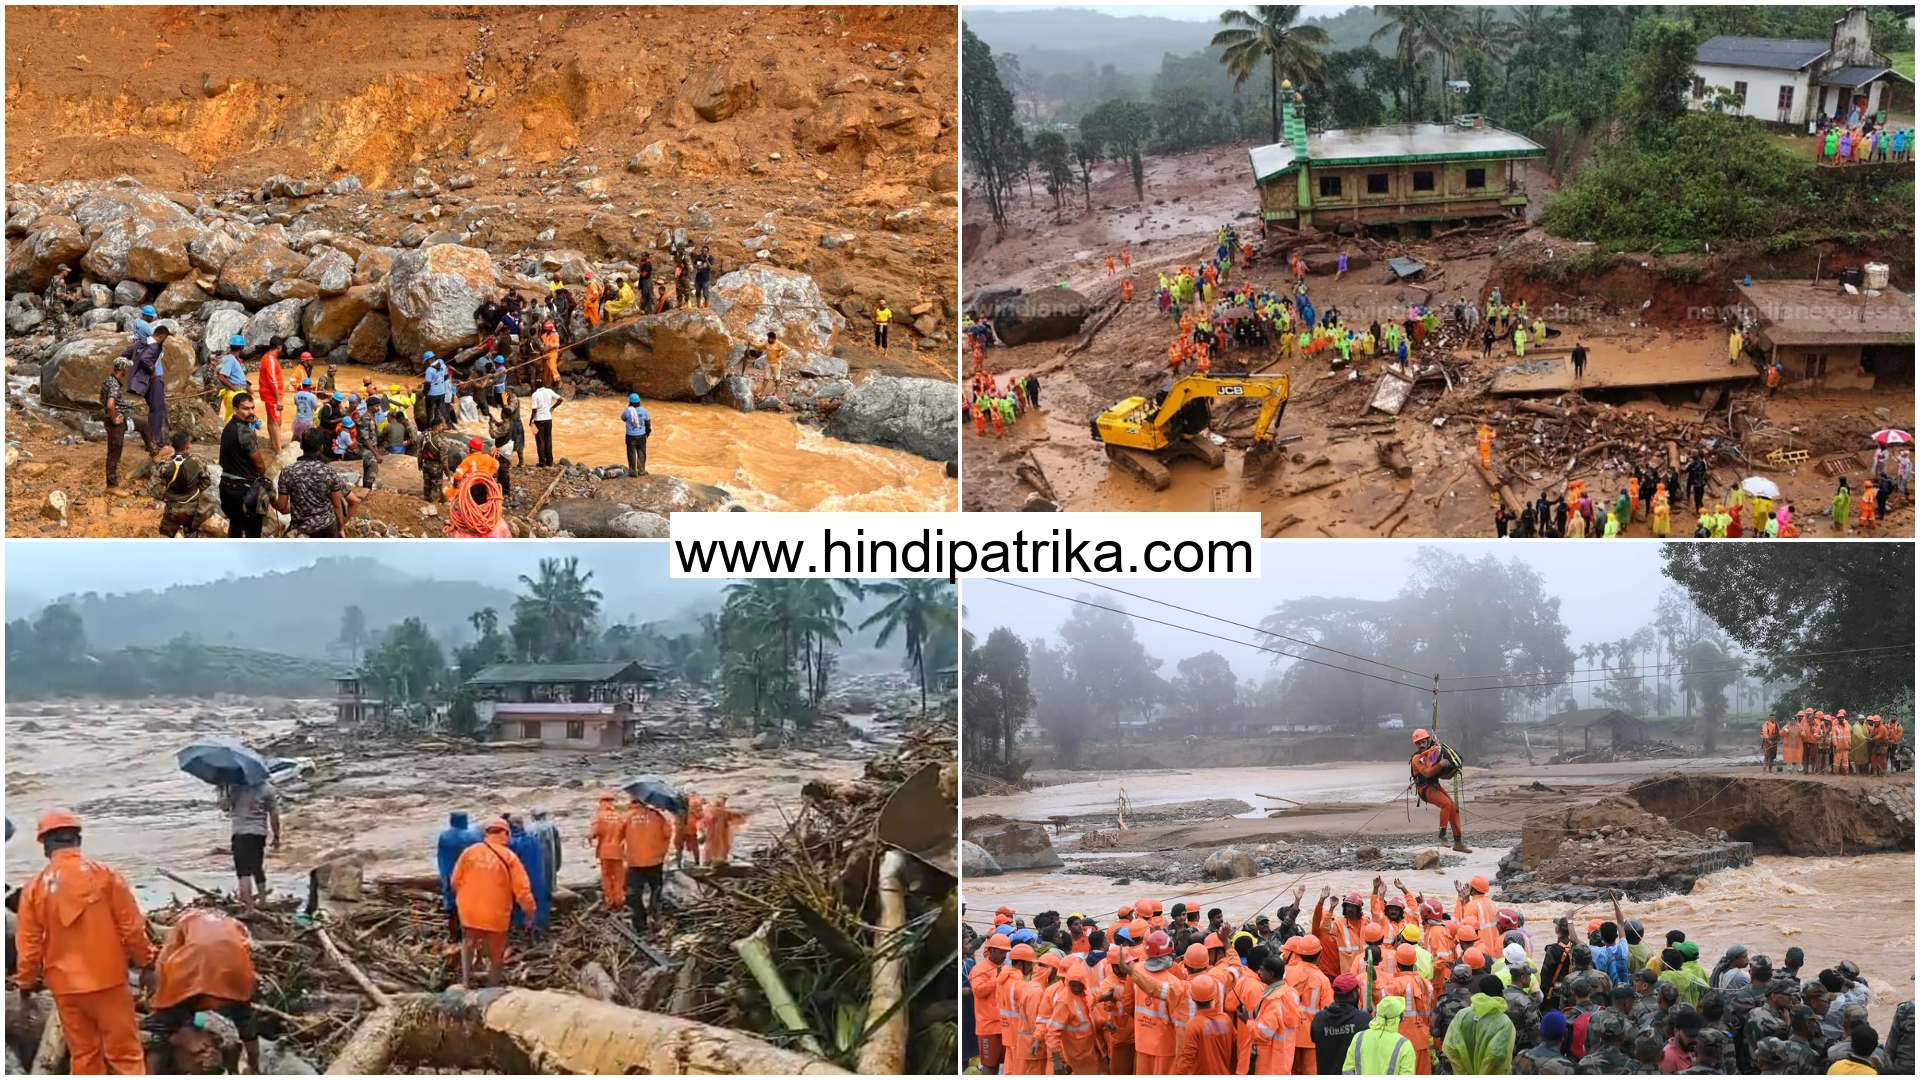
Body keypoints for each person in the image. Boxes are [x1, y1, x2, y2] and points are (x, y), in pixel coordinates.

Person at [13, 810, 154, 1075]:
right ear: (78, 839)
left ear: (45, 845)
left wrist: (25, 983)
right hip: (108, 981)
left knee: (85, 1055)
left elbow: (29, 944)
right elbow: (132, 928)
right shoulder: (106, 876)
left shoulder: (35, 888)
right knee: (125, 1055)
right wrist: (147, 963)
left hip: (65, 988)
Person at [149, 908, 262, 1074]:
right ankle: (254, 1069)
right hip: (234, 972)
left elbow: (163, 961)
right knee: (244, 1020)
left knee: (160, 1026)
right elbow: (245, 952)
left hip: (194, 971)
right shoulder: (233, 923)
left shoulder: (184, 921)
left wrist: (157, 999)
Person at [449, 819, 536, 987]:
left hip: (469, 912)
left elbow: (454, 881)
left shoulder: (469, 852)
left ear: (487, 834)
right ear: (504, 833)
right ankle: (492, 989)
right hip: (496, 915)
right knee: (497, 955)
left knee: (468, 943)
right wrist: (530, 912)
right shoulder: (510, 857)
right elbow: (523, 891)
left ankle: (466, 983)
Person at [274, 428, 358, 537]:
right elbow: (337, 505)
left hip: (301, 530)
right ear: (321, 447)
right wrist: (341, 528)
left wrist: (271, 498)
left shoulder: (287, 472)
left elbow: (282, 507)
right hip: (327, 527)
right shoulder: (328, 471)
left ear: (301, 445)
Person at [218, 776, 281, 909]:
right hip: (259, 833)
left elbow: (224, 807)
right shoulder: (267, 788)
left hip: (240, 833)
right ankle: (263, 901)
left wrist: (223, 789)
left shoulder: (235, 786)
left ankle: (249, 907)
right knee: (257, 867)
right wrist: (276, 836)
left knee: (243, 871)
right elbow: (274, 814)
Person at [1441, 974, 1516, 1073]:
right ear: (1502, 994)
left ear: (1480, 992)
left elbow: (1450, 1047)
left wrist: (1463, 1073)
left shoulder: (1462, 1015)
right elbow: (1497, 1056)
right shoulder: (1504, 1022)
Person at [1411, 729, 1470, 852]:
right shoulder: (1416, 759)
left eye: (1423, 742)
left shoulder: (1432, 753)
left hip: (1435, 786)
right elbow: (1427, 773)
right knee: (1446, 804)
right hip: (1425, 789)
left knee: (1453, 808)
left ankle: (1458, 842)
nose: (1421, 745)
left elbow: (1441, 774)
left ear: (1428, 741)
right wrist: (1440, 765)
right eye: (1418, 743)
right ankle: (1442, 834)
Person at [622, 798, 673, 935]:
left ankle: (640, 925)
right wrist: (662, 851)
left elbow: (618, 837)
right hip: (655, 861)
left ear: (632, 803)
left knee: (634, 893)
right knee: (656, 889)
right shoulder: (658, 816)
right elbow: (668, 834)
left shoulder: (627, 817)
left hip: (635, 862)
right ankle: (655, 917)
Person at [123, 323, 173, 456]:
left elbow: (125, 353)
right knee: (157, 409)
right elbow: (146, 360)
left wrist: (133, 369)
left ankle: (155, 440)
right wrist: (151, 372)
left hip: (142, 381)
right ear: (161, 336)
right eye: (165, 338)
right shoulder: (155, 346)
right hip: (153, 380)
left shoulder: (141, 342)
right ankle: (154, 441)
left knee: (154, 409)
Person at [155, 430, 214, 537]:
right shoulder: (198, 461)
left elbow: (152, 488)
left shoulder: (164, 465)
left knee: (169, 534)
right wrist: (196, 491)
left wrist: (164, 496)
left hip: (172, 507)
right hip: (192, 507)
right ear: (187, 446)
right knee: (192, 533)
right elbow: (207, 481)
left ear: (172, 446)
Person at [100, 357, 136, 496]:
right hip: (116, 422)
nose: (128, 370)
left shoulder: (108, 379)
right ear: (123, 369)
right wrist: (114, 418)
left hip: (117, 418)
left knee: (143, 425)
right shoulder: (114, 385)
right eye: (127, 368)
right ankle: (111, 486)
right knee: (114, 453)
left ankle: (155, 452)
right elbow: (110, 404)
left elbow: (101, 398)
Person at [586, 794, 627, 911]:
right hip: (618, 851)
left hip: (605, 851)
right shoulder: (620, 817)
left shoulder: (599, 817)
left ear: (601, 802)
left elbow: (593, 834)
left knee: (607, 877)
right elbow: (625, 834)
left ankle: (610, 900)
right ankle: (619, 900)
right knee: (619, 877)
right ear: (612, 802)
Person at [701, 794, 747, 865]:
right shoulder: (723, 811)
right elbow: (740, 818)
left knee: (714, 845)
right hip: (719, 832)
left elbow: (703, 821)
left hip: (716, 832)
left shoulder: (711, 810)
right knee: (720, 845)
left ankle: (710, 860)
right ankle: (716, 860)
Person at [215, 335, 251, 424]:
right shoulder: (230, 359)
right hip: (234, 393)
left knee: (240, 417)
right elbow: (221, 377)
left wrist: (247, 387)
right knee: (233, 417)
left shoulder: (234, 359)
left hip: (238, 391)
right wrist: (234, 388)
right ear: (242, 347)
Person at [529, 383, 562, 467]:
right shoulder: (549, 391)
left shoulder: (535, 395)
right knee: (548, 440)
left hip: (538, 420)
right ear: (543, 384)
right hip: (548, 418)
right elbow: (560, 399)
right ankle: (550, 461)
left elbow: (534, 410)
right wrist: (553, 407)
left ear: (536, 386)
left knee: (540, 441)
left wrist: (531, 420)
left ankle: (542, 462)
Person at [621, 393, 651, 476]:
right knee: (641, 452)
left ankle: (632, 471)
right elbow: (648, 423)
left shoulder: (628, 411)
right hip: (641, 435)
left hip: (630, 436)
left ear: (630, 402)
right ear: (639, 402)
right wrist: (647, 432)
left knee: (631, 452)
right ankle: (641, 471)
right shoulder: (644, 411)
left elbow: (623, 418)